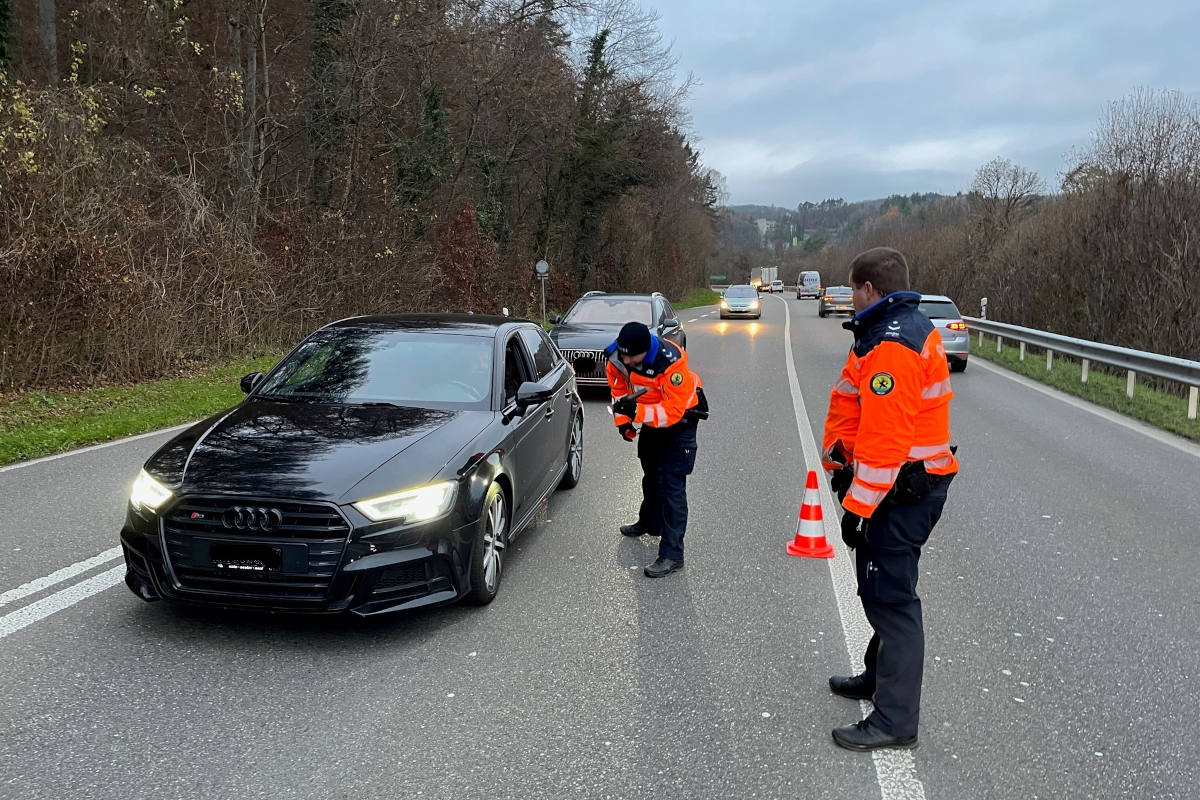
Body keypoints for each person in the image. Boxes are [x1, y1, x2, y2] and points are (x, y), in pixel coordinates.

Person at [821, 247, 959, 752]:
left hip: (897, 496)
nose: (848, 297)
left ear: (869, 291)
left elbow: (884, 442)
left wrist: (858, 509)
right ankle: (876, 676)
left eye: (851, 289)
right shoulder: (895, 330)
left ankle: (894, 721)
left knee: (892, 603)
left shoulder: (892, 347)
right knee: (883, 592)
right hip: (902, 489)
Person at [606, 321, 707, 578]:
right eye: (623, 354)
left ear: (645, 351)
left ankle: (673, 554)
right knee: (650, 474)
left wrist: (637, 412)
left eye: (632, 356)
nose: (626, 361)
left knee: (672, 485)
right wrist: (624, 422)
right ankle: (650, 522)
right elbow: (618, 391)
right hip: (651, 418)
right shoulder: (617, 358)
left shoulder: (671, 363)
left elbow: (672, 412)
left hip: (681, 421)